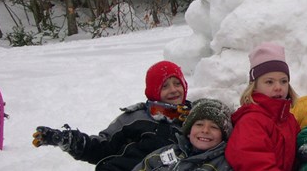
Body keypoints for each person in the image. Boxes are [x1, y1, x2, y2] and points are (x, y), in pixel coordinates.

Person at [32, 60, 191, 171]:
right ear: (153, 91)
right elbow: (104, 146)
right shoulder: (136, 118)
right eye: (165, 86)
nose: (173, 90)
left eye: (177, 84)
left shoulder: (196, 117)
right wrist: (72, 141)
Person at [225, 42, 300, 170]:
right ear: (255, 86)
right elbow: (255, 164)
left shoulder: (288, 119)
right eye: (269, 82)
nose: (278, 87)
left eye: (283, 81)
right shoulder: (251, 121)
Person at [133, 98, 233, 171]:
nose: (205, 130)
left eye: (214, 127)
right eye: (199, 124)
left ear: (223, 135)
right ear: (189, 132)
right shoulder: (168, 152)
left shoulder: (223, 164)